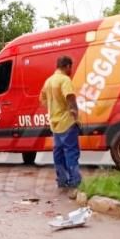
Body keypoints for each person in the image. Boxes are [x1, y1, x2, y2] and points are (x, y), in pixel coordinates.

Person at [40, 55, 82, 192]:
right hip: (67, 122)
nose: (71, 70)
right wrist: (75, 115)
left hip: (55, 124)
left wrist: (53, 107)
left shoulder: (48, 81)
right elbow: (70, 97)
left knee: (58, 154)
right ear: (67, 66)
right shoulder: (65, 80)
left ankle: (62, 180)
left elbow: (42, 99)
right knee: (71, 152)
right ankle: (75, 181)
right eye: (71, 67)